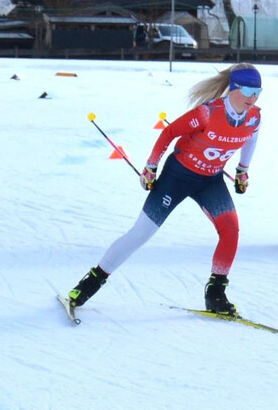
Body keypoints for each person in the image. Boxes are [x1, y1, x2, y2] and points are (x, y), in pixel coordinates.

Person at [67, 63, 262, 316]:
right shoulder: (207, 113)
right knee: (141, 234)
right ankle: (89, 283)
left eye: (257, 91)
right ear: (233, 88)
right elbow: (169, 132)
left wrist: (242, 170)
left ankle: (216, 294)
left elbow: (252, 138)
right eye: (247, 90)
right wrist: (151, 167)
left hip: (210, 181)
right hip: (177, 177)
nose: (252, 97)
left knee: (231, 231)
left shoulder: (255, 116)